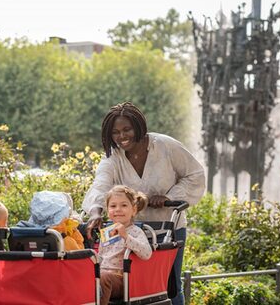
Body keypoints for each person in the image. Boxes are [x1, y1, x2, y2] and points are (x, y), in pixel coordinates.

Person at [83, 101, 205, 305]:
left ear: (138, 127)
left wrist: (170, 197)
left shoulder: (166, 146)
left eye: (126, 129)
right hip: (129, 229)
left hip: (168, 226)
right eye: (115, 132)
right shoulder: (113, 158)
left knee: (169, 285)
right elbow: (100, 185)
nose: (121, 136)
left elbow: (195, 174)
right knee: (135, 288)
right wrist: (96, 211)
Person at [99, 185, 152, 305]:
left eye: (123, 205)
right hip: (103, 276)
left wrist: (126, 237)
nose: (118, 209)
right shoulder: (107, 232)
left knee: (103, 278)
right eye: (113, 206)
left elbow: (147, 253)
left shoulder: (136, 232)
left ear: (133, 210)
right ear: (108, 211)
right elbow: (101, 256)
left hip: (123, 280)